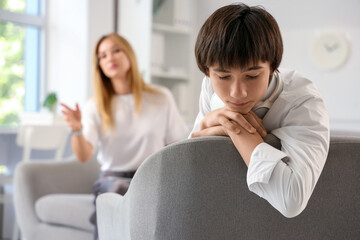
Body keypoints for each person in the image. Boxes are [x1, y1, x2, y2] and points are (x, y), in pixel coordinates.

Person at [190, 3, 329, 218]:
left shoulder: (303, 101)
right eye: (223, 76)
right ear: (207, 71)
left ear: (273, 68)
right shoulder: (209, 85)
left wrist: (237, 129)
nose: (237, 93)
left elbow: (291, 201)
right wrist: (206, 124)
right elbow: (188, 165)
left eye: (252, 76)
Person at [61, 33, 188, 239]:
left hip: (151, 179)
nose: (109, 58)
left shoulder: (160, 97)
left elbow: (177, 145)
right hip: (113, 181)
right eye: (102, 56)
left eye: (116, 50)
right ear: (99, 65)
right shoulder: (95, 106)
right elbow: (84, 155)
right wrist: (76, 128)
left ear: (129, 54)